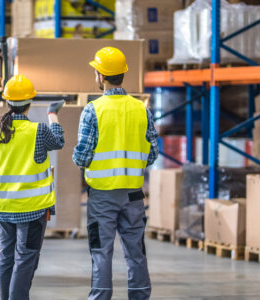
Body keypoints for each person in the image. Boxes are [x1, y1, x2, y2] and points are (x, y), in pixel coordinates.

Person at [73, 47, 159, 300]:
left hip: (102, 197)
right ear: (123, 74)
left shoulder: (93, 110)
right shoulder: (141, 109)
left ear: (100, 76)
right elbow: (152, 154)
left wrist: (81, 162)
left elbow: (82, 156)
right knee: (136, 251)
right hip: (133, 195)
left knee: (101, 251)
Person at [0, 74, 65, 300]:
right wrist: (53, 115)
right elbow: (58, 141)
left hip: (2, 207)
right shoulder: (37, 131)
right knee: (26, 257)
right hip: (31, 209)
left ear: (7, 102)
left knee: (7, 257)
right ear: (30, 103)